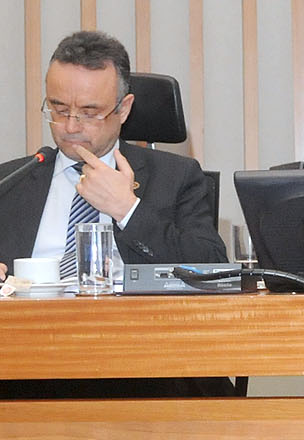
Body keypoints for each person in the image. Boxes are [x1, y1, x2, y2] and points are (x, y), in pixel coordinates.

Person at [0, 29, 225, 280]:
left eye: (89, 113)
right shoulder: (9, 182)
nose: (71, 127)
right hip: (29, 306)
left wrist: (127, 209)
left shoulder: (176, 177)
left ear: (124, 109)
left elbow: (212, 268)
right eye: (59, 110)